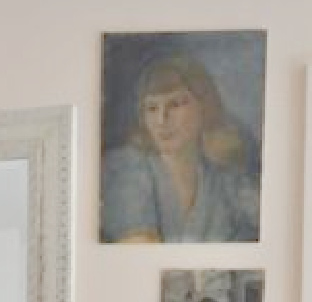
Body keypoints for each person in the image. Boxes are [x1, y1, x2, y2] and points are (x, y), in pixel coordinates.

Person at [101, 52, 260, 243]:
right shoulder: (125, 169)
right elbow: (138, 252)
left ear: (204, 106)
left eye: (175, 104)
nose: (161, 120)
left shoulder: (225, 179)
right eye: (151, 108)